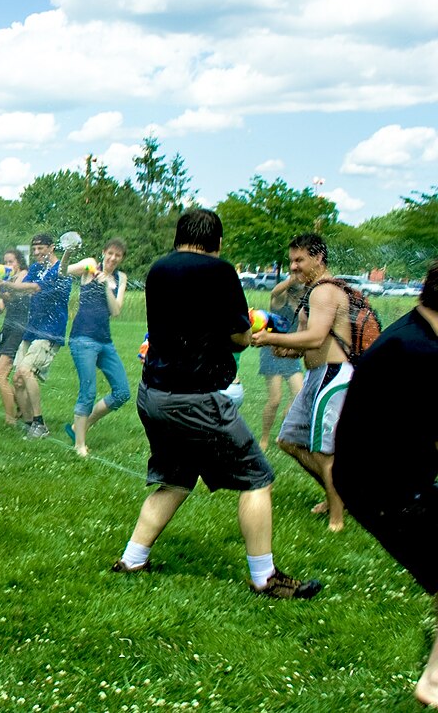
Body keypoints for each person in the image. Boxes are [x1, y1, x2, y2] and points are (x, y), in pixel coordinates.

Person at [111, 209, 321, 600]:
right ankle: (265, 577)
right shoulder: (220, 271)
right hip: (195, 399)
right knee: (257, 478)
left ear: (179, 237)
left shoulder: (158, 270)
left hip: (153, 393)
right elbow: (238, 336)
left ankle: (132, 559)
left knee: (176, 479)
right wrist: (254, 329)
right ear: (217, 242)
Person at [332, 260, 438, 708]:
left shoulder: (416, 333)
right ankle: (433, 683)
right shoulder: (419, 350)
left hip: (384, 477)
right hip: (385, 486)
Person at [252, 233, 354, 532]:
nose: (294, 267)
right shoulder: (312, 292)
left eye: (300, 260)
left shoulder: (325, 291)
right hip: (315, 375)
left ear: (318, 258)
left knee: (323, 451)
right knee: (289, 440)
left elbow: (317, 337)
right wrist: (284, 348)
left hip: (333, 375)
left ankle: (337, 519)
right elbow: (304, 342)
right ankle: (335, 496)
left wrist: (270, 338)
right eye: (291, 261)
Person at [63, 238, 131, 457]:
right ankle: (79, 445)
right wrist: (67, 253)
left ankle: (80, 426)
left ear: (121, 258)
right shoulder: (90, 266)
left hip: (105, 341)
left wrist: (106, 287)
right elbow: (63, 271)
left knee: (122, 392)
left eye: (117, 255)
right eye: (110, 253)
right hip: (83, 338)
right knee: (88, 391)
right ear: (103, 252)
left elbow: (116, 311)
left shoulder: (120, 278)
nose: (113, 258)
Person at [14, 233, 76, 439]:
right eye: (34, 249)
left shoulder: (60, 269)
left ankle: (40, 425)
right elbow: (23, 289)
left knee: (26, 370)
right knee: (18, 379)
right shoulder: (36, 268)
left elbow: (34, 287)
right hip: (32, 329)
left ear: (51, 247)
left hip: (50, 331)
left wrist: (7, 285)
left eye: (41, 248)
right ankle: (29, 423)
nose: (36, 252)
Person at [0, 249, 34, 430]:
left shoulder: (24, 274)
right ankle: (20, 405)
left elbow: (13, 296)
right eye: (5, 262)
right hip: (7, 327)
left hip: (19, 329)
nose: (8, 265)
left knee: (0, 376)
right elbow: (1, 306)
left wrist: (1, 285)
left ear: (19, 262)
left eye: (11, 261)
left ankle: (11, 419)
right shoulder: (8, 279)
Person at [256, 276, 305, 450]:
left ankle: (283, 433)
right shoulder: (280, 301)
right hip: (272, 353)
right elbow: (275, 292)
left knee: (299, 396)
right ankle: (264, 438)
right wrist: (293, 279)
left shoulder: (303, 306)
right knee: (275, 400)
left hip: (290, 354)